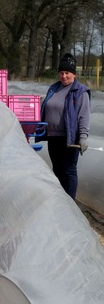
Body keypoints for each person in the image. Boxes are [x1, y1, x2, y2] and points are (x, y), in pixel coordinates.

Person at [40, 52, 91, 200]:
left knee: (69, 171)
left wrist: (83, 137)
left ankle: (70, 203)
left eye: (67, 73)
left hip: (69, 139)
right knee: (57, 170)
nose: (64, 76)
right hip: (53, 137)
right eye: (61, 73)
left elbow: (84, 115)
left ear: (74, 74)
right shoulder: (53, 88)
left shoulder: (80, 92)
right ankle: (61, 201)